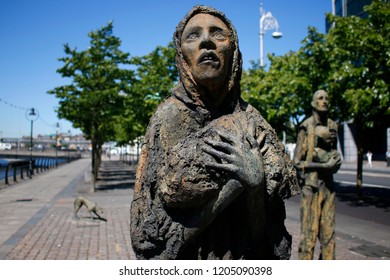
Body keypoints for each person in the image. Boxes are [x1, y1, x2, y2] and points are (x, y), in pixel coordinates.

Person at [130, 5, 299, 260]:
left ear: (233, 50)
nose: (206, 41)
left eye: (218, 33)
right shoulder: (168, 117)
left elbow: (267, 244)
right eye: (193, 35)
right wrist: (231, 188)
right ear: (181, 55)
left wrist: (255, 187)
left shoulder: (253, 121)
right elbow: (157, 243)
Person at [293, 89, 342, 260]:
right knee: (309, 236)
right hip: (311, 187)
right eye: (320, 98)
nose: (324, 101)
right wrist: (323, 165)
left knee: (329, 236)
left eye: (327, 98)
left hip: (328, 187)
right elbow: (297, 162)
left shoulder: (333, 126)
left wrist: (335, 162)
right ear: (313, 103)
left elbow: (334, 155)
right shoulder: (306, 127)